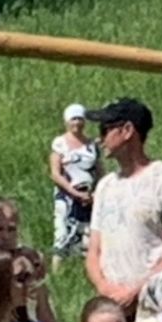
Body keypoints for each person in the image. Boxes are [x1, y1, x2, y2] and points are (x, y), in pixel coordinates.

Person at [84, 97, 162, 315]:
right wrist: (105, 289)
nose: (100, 139)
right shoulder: (105, 186)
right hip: (112, 310)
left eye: (105, 129)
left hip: (153, 308)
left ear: (127, 130)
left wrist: (137, 290)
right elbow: (94, 250)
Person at [48, 104, 101, 258]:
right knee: (62, 233)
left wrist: (95, 193)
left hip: (88, 197)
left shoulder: (91, 146)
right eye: (73, 119)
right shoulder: (60, 144)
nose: (77, 123)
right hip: (67, 196)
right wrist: (73, 192)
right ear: (67, 121)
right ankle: (57, 270)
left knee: (87, 235)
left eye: (80, 119)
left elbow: (99, 171)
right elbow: (55, 173)